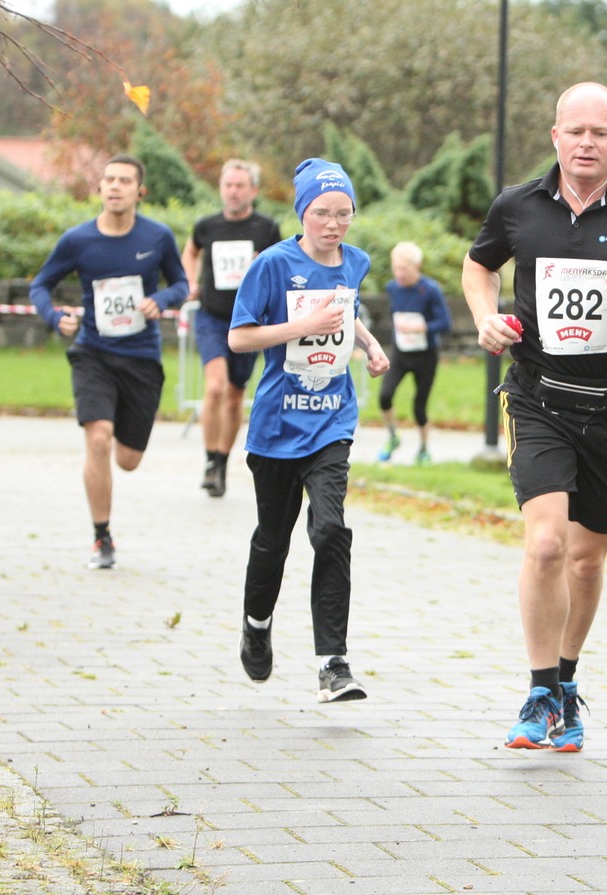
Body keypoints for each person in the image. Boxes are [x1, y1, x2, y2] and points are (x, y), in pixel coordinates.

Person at [461, 82, 607, 751]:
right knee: (545, 543)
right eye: (576, 131)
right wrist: (486, 318)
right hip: (538, 397)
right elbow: (477, 266)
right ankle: (539, 691)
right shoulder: (519, 206)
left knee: (587, 560)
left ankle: (565, 683)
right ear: (555, 137)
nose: (587, 143)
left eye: (601, 132)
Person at [228, 158, 390, 703]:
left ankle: (333, 664)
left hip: (330, 420)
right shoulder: (272, 266)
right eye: (322, 213)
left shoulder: (356, 261)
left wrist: (369, 345)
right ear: (302, 213)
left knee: (329, 530)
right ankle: (256, 623)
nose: (333, 224)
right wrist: (303, 327)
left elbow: (345, 310)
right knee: (272, 541)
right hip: (276, 426)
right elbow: (239, 338)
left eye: (343, 213)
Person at [28, 154, 189, 569]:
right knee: (98, 438)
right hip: (93, 353)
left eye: (124, 180)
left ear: (140, 191)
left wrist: (163, 299)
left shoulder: (157, 237)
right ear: (100, 188)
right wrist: (53, 317)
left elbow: (183, 283)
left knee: (128, 460)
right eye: (108, 180)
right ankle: (102, 538)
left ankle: (122, 437)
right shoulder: (78, 240)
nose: (114, 186)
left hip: (141, 357)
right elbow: (40, 285)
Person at [181, 158, 284, 497]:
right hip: (212, 316)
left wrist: (262, 272)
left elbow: (280, 267)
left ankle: (222, 463)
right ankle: (210, 459)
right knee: (214, 387)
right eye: (228, 185)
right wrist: (190, 281)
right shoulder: (206, 226)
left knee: (235, 395)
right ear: (221, 189)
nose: (233, 191)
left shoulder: (266, 228)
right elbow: (191, 252)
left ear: (253, 190)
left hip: (249, 321)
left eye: (240, 185)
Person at [376, 241, 451, 464]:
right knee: (384, 396)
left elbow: (445, 323)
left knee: (419, 406)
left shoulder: (430, 290)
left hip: (425, 354)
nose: (399, 273)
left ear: (416, 266)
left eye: (404, 269)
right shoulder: (392, 288)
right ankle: (392, 436)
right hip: (401, 353)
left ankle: (424, 449)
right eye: (395, 268)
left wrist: (420, 327)